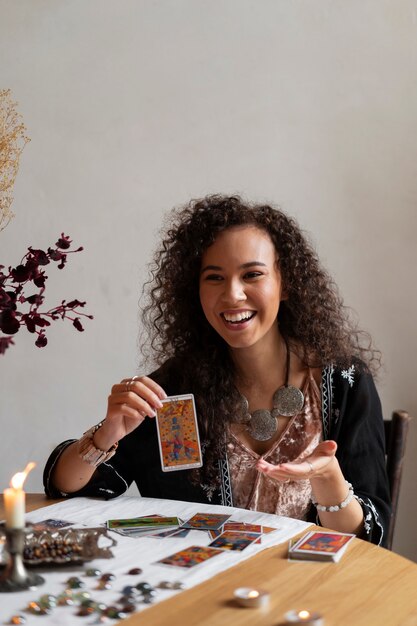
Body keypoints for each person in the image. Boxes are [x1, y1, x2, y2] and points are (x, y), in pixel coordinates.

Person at [44, 194, 390, 546]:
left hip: (318, 591)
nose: (233, 294)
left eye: (252, 274)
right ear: (194, 290)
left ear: (286, 283)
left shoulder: (344, 382)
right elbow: (68, 491)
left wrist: (328, 478)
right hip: (204, 590)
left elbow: (369, 534)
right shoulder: (174, 393)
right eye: (214, 278)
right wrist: (106, 434)